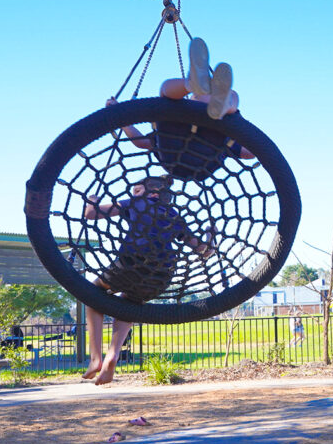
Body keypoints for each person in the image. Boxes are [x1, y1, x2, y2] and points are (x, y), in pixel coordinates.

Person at [81, 176, 213, 385]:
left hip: (132, 264)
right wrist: (209, 238)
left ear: (150, 192)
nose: (134, 193)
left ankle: (96, 358)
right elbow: (202, 250)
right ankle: (112, 356)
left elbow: (91, 214)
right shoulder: (173, 215)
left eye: (136, 190)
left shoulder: (134, 203)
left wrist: (92, 200)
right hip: (160, 276)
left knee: (93, 294)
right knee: (130, 304)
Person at [107, 37, 254, 182]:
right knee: (233, 98)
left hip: (174, 156)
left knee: (165, 93)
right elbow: (249, 153)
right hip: (205, 159)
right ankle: (226, 106)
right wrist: (243, 128)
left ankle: (190, 85)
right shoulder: (224, 132)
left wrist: (120, 117)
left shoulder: (177, 116)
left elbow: (142, 142)